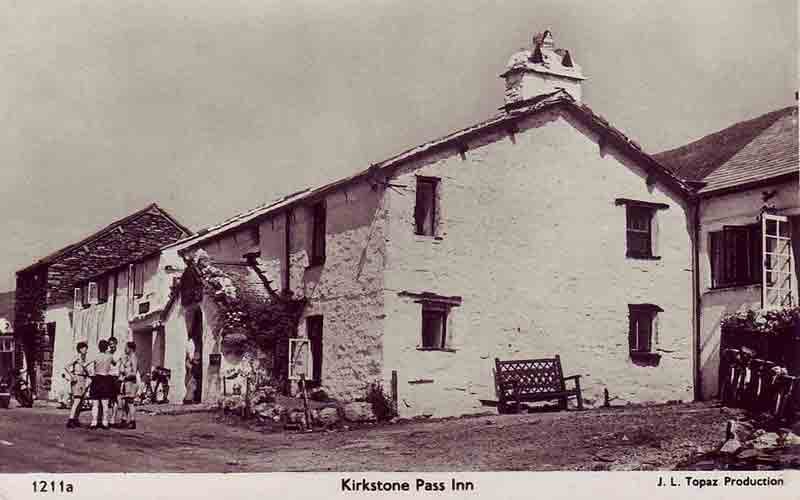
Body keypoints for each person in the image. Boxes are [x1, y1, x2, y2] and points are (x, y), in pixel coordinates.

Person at [64, 341, 91, 428]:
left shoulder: (84, 359)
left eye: (86, 349)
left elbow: (85, 370)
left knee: (81, 401)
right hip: (77, 378)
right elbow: (66, 366)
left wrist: (88, 373)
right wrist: (72, 375)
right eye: (84, 348)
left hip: (83, 379)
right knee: (77, 399)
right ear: (80, 349)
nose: (86, 350)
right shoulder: (76, 357)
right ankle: (71, 419)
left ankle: (76, 418)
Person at [89, 339, 114, 429]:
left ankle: (94, 422)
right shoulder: (110, 356)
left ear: (99, 347)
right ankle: (105, 422)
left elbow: (86, 365)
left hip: (97, 378)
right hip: (106, 379)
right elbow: (115, 364)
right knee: (105, 403)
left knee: (95, 403)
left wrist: (90, 374)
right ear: (107, 347)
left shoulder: (95, 356)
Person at [117, 341, 138, 429]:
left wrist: (125, 376)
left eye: (126, 347)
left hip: (130, 382)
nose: (125, 349)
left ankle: (132, 421)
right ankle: (124, 420)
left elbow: (134, 372)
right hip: (127, 382)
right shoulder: (128, 358)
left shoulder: (133, 358)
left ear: (130, 348)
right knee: (126, 402)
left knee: (130, 403)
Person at [107, 337, 122, 427]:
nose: (111, 346)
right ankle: (107, 417)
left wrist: (121, 376)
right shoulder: (107, 353)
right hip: (108, 377)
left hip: (116, 377)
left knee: (115, 398)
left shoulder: (119, 353)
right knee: (108, 398)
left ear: (116, 344)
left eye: (112, 344)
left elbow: (118, 364)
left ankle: (113, 417)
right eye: (110, 344)